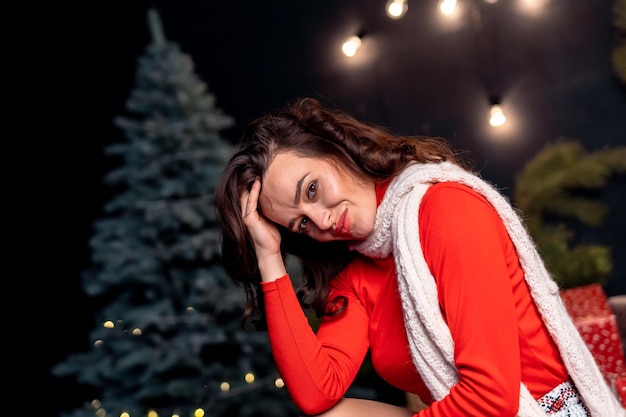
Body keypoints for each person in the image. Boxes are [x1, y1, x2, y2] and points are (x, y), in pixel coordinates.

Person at [215, 96, 624, 417]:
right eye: (301, 225)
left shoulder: (445, 208)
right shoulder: (358, 272)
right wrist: (269, 255)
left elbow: (493, 396)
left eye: (311, 190)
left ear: (334, 148)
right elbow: (314, 393)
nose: (321, 221)